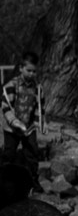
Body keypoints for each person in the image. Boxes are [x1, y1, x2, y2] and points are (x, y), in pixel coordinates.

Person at [1, 52, 44, 199]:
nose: (32, 74)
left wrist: (39, 122)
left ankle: (33, 181)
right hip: (11, 127)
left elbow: (39, 107)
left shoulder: (37, 88)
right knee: (9, 153)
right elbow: (6, 107)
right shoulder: (11, 86)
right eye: (29, 70)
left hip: (29, 126)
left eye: (34, 71)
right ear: (21, 68)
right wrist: (14, 122)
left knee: (32, 153)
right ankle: (4, 180)